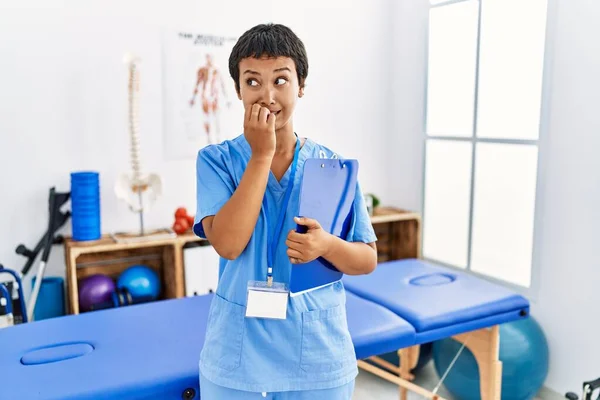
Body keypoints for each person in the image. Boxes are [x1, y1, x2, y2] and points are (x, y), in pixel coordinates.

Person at [193, 23, 378, 400]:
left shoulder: (333, 166)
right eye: (253, 81)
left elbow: (366, 259)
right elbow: (228, 245)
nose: (267, 94)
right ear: (238, 89)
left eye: (280, 80)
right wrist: (261, 154)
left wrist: (326, 245)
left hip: (318, 358)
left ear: (301, 85)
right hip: (236, 360)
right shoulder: (216, 161)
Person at [189, 53, 229, 144]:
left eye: (211, 58)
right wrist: (193, 98)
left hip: (215, 97)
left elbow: (222, 84)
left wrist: (226, 99)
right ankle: (208, 139)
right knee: (206, 117)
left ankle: (218, 139)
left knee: (216, 117)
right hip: (205, 96)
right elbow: (197, 83)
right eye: (208, 58)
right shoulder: (202, 70)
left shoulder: (216, 70)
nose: (209, 60)